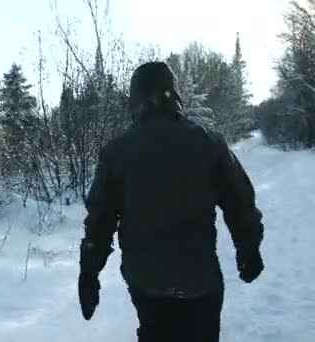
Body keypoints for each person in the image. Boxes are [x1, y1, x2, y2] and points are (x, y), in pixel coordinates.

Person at [77, 62, 265, 342]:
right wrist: (248, 247)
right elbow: (239, 200)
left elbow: (100, 220)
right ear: (174, 95)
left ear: (136, 99)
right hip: (200, 281)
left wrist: (89, 271)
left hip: (147, 284)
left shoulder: (117, 152)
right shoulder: (208, 141)